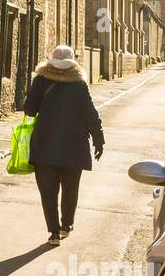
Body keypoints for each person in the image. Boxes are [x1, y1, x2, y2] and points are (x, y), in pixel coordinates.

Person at [21, 45, 105, 246]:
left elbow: (30, 110)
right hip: (74, 145)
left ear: (51, 61)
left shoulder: (40, 80)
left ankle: (54, 233)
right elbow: (90, 113)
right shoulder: (79, 84)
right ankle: (67, 224)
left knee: (48, 192)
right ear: (73, 62)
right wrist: (98, 138)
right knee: (70, 188)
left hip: (45, 144)